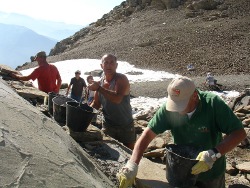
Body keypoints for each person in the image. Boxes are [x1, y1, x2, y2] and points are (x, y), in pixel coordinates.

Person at [117, 76, 246, 188]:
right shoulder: (168, 109)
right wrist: (132, 165)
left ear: (194, 96)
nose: (177, 110)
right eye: (174, 103)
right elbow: (146, 136)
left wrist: (214, 154)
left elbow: (239, 133)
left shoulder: (212, 104)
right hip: (181, 172)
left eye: (181, 104)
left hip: (211, 173)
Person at [88, 54, 136, 150]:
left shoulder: (121, 79)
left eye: (112, 63)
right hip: (108, 125)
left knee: (129, 153)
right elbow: (96, 104)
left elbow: (117, 99)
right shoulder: (100, 83)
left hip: (125, 125)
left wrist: (98, 88)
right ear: (102, 66)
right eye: (106, 63)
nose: (109, 65)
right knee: (110, 152)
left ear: (116, 65)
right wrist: (84, 112)